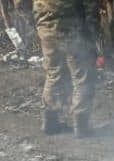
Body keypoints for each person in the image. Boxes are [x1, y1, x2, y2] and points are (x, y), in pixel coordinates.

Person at [33, 0, 100, 137]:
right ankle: (81, 125)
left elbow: (20, 3)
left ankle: (50, 122)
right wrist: (92, 30)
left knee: (53, 73)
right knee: (82, 76)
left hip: (45, 25)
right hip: (73, 26)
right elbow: (90, 5)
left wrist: (35, 21)